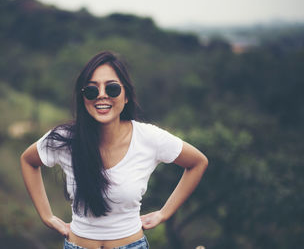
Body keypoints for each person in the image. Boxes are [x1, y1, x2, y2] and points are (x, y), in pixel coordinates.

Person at [20, 51, 208, 249]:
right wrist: (46, 216)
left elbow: (197, 162)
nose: (102, 94)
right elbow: (28, 160)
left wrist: (164, 213)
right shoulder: (66, 138)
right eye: (92, 90)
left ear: (126, 96)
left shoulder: (148, 138)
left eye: (112, 88)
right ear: (83, 98)